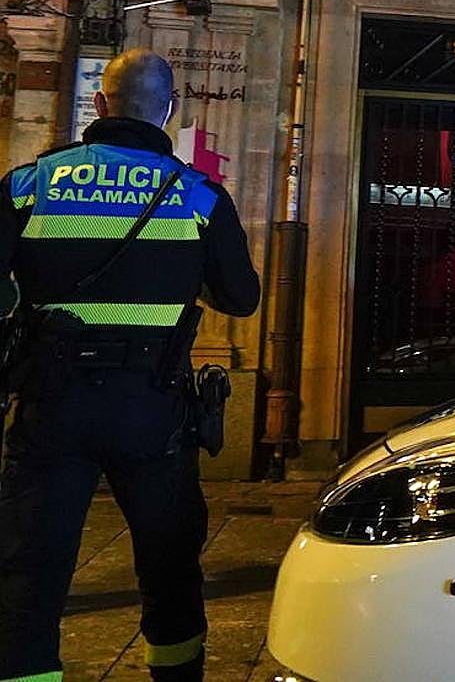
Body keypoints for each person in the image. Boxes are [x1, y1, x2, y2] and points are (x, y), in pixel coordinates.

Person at [0, 49, 260, 682]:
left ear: (99, 103)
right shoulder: (197, 194)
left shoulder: (30, 183)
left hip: (50, 402)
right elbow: (241, 298)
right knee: (169, 565)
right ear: (169, 110)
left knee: (27, 571)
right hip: (153, 410)